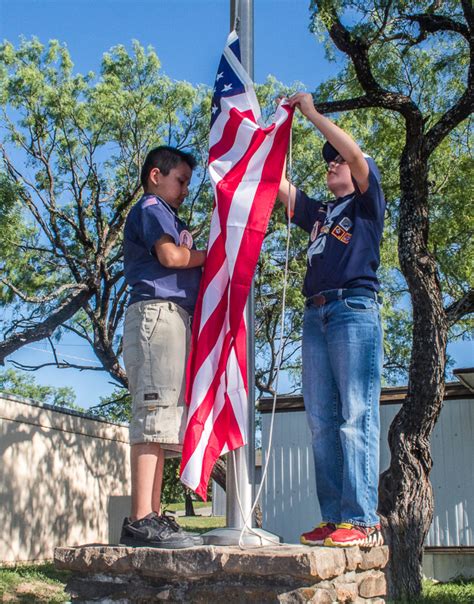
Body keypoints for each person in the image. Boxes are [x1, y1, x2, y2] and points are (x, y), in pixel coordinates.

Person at [278, 93, 385, 548]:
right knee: (321, 419)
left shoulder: (366, 201)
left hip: (353, 309)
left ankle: (362, 518)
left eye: (337, 160)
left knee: (355, 413)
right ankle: (335, 517)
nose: (332, 165)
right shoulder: (321, 212)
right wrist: (270, 133)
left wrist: (311, 114)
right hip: (315, 311)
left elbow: (357, 155)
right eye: (328, 162)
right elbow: (279, 186)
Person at [120, 146, 206, 548]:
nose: (186, 189)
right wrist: (210, 256)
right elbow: (170, 256)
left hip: (171, 317)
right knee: (152, 414)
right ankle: (140, 519)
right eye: (181, 180)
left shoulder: (169, 214)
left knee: (163, 422)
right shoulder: (152, 206)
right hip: (155, 313)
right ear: (156, 175)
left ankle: (152, 514)